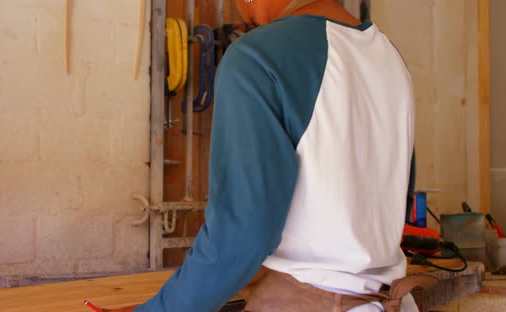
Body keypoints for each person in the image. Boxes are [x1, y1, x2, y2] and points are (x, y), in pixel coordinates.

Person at [113, 0, 435, 311]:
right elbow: (401, 196)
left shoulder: (256, 56)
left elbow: (239, 237)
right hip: (391, 301)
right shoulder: (389, 58)